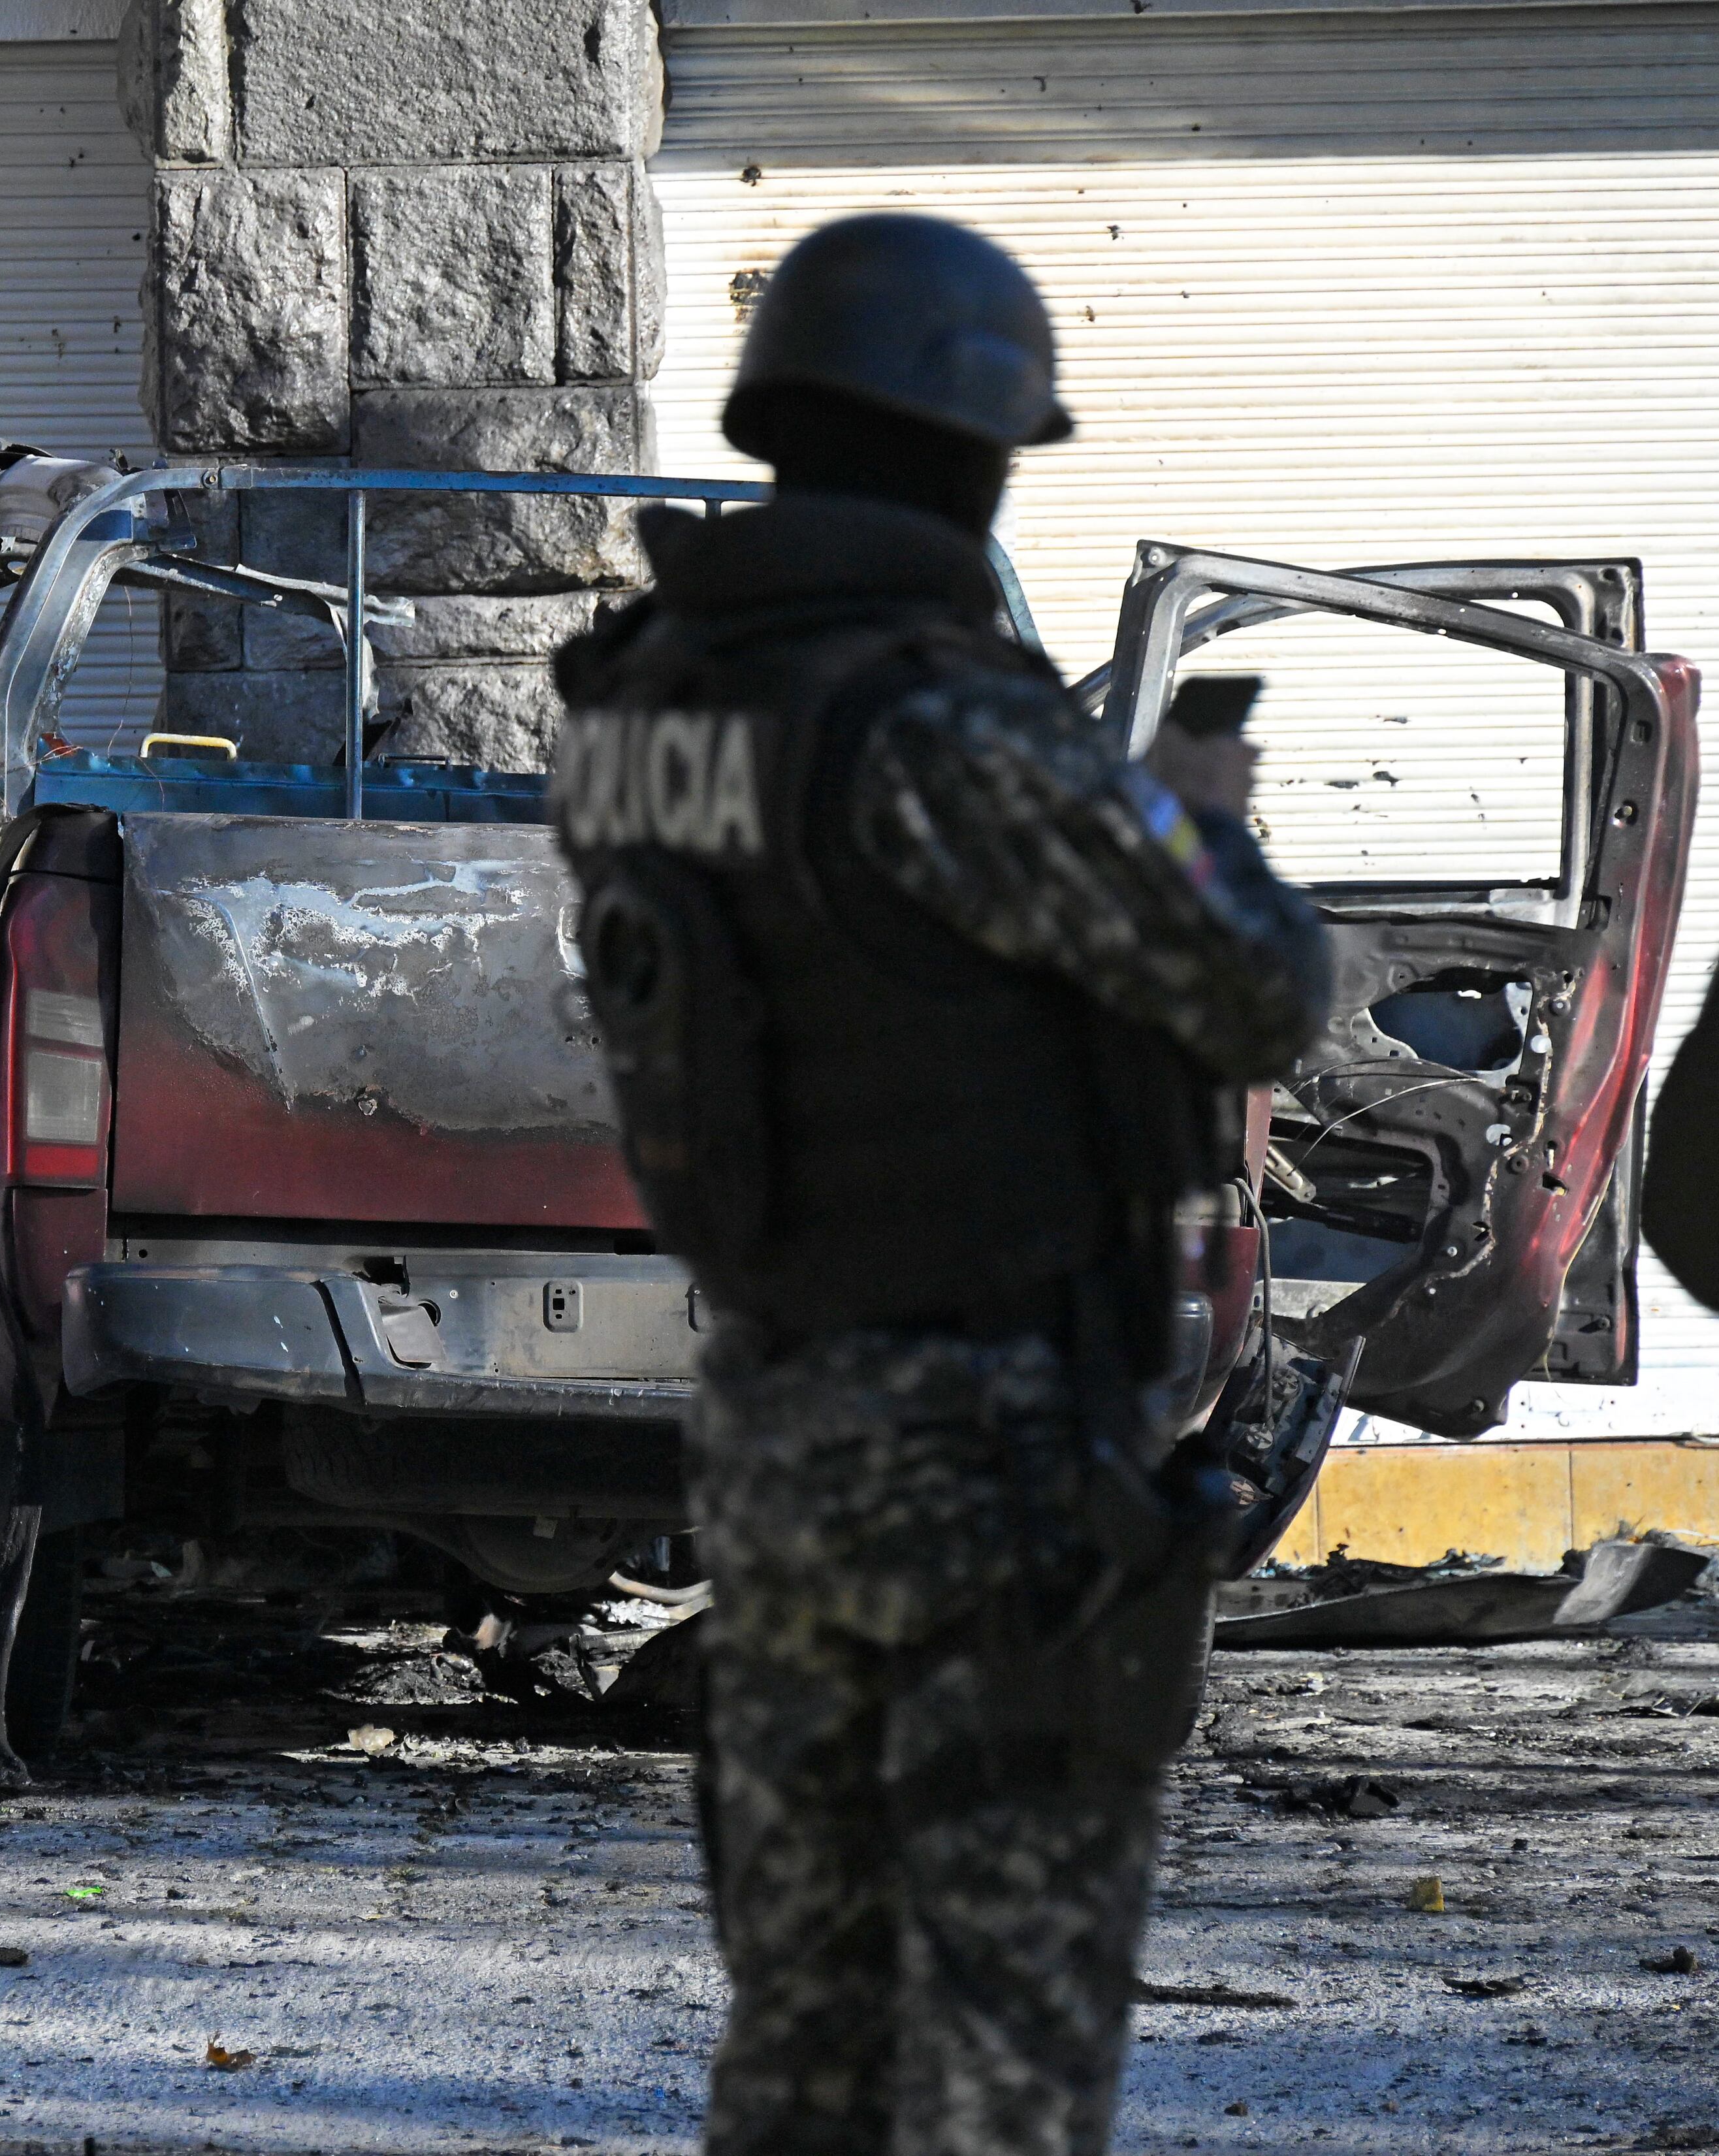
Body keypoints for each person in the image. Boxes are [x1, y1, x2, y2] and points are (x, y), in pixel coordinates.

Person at [550, 212, 1330, 2155]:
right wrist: (1189, 812)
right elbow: (1258, 980)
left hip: (775, 1415)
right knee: (998, 2051)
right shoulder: (937, 721)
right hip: (990, 1452)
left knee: (806, 2034)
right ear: (971, 449)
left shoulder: (647, 701)